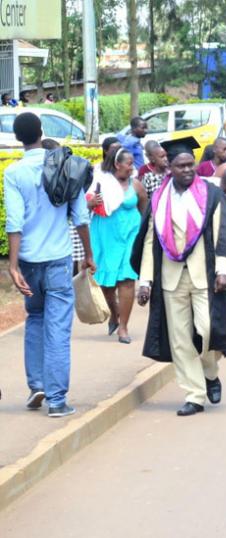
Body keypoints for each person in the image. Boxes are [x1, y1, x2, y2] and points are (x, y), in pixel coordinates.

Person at [136, 138, 226, 416]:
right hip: (170, 277)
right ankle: (194, 394)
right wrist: (145, 281)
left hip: (203, 275)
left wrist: (223, 270)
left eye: (191, 165)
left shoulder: (210, 194)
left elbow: (224, 235)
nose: (188, 170)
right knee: (180, 339)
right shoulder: (159, 198)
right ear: (169, 167)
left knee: (206, 332)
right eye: (181, 166)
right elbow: (149, 241)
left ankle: (210, 372)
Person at [5, 112, 95, 418]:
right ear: (42, 132)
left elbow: (14, 222)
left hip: (29, 260)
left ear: (18, 139)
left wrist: (13, 265)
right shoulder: (67, 165)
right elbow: (81, 218)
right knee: (57, 327)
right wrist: (89, 254)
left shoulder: (13, 173)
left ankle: (37, 385)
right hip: (58, 259)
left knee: (35, 318)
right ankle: (57, 400)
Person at [86, 148, 149, 344]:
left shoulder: (136, 185)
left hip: (130, 235)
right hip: (105, 236)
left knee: (127, 280)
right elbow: (83, 208)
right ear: (117, 164)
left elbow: (145, 211)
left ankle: (123, 327)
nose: (133, 167)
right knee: (106, 283)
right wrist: (91, 203)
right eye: (129, 163)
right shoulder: (100, 183)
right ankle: (114, 314)